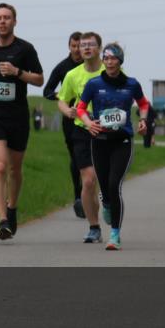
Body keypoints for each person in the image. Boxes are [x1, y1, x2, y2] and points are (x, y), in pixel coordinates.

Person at [0, 3, 44, 240]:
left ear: (14, 21)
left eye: (7, 18)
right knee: (0, 166)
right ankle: (2, 220)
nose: (2, 21)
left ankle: (12, 208)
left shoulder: (25, 49)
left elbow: (40, 79)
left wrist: (17, 73)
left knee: (15, 169)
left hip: (18, 116)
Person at [76, 42, 149, 251]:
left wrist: (143, 120)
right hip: (99, 141)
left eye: (113, 58)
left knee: (114, 184)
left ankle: (115, 235)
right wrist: (89, 123)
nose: (109, 62)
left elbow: (143, 104)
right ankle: (106, 203)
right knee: (106, 189)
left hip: (122, 141)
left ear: (120, 61)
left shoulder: (132, 84)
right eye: (106, 58)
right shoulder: (93, 84)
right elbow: (81, 108)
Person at [57, 32, 106, 243]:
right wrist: (66, 110)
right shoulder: (72, 75)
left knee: (105, 181)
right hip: (81, 130)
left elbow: (126, 93)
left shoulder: (111, 70)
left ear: (99, 48)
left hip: (107, 131)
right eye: (82, 45)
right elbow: (62, 99)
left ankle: (109, 207)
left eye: (90, 45)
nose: (85, 48)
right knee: (88, 181)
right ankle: (94, 227)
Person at [43, 31, 85, 218]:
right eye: (73, 46)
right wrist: (60, 97)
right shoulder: (63, 67)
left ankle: (91, 194)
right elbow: (47, 90)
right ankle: (78, 196)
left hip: (91, 118)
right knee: (76, 158)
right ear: (69, 46)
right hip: (70, 118)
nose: (77, 49)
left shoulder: (91, 65)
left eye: (80, 46)